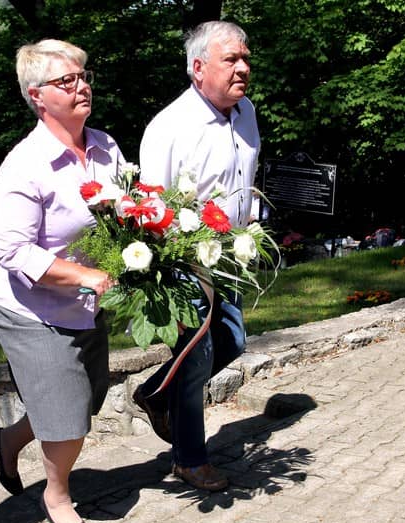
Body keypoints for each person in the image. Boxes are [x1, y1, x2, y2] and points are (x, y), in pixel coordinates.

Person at [0, 39, 118, 523]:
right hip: (31, 307)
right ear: (37, 96)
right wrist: (83, 276)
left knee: (86, 398)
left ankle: (7, 440)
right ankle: (57, 496)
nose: (81, 86)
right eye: (67, 81)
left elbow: (124, 211)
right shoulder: (24, 165)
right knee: (68, 418)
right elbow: (14, 252)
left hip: (87, 302)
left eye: (83, 76)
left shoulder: (106, 148)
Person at [132, 21, 260, 492]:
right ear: (199, 67)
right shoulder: (170, 126)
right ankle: (190, 458)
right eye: (231, 60)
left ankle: (155, 393)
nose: (243, 68)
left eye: (245, 58)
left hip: (231, 253)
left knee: (234, 342)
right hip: (184, 259)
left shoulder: (246, 113)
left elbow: (244, 181)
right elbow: (151, 200)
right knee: (197, 355)